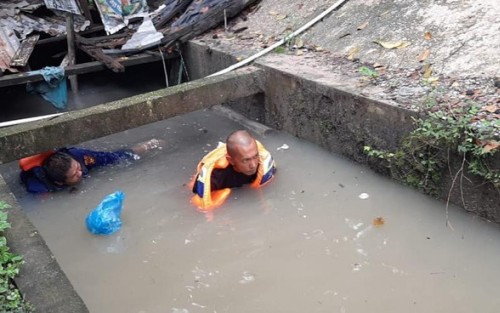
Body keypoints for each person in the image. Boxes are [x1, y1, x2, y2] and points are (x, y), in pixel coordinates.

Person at [19, 138, 164, 193]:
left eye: (78, 168)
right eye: (74, 175)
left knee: (114, 157)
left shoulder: (81, 157)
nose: (80, 172)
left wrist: (147, 147)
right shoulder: (38, 186)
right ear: (59, 182)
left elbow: (112, 158)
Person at [191, 130, 276, 210]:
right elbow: (199, 201)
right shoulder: (214, 177)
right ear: (231, 160)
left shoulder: (262, 163)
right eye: (246, 160)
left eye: (255, 156)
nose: (253, 165)